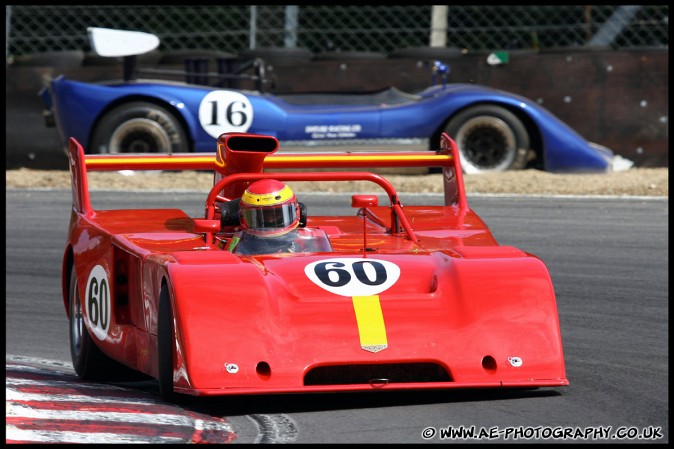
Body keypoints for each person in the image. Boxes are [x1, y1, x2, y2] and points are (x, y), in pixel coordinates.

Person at [226, 179, 332, 255]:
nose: (270, 220)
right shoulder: (239, 249)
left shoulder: (308, 244)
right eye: (263, 216)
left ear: (298, 212)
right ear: (242, 217)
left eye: (277, 214)